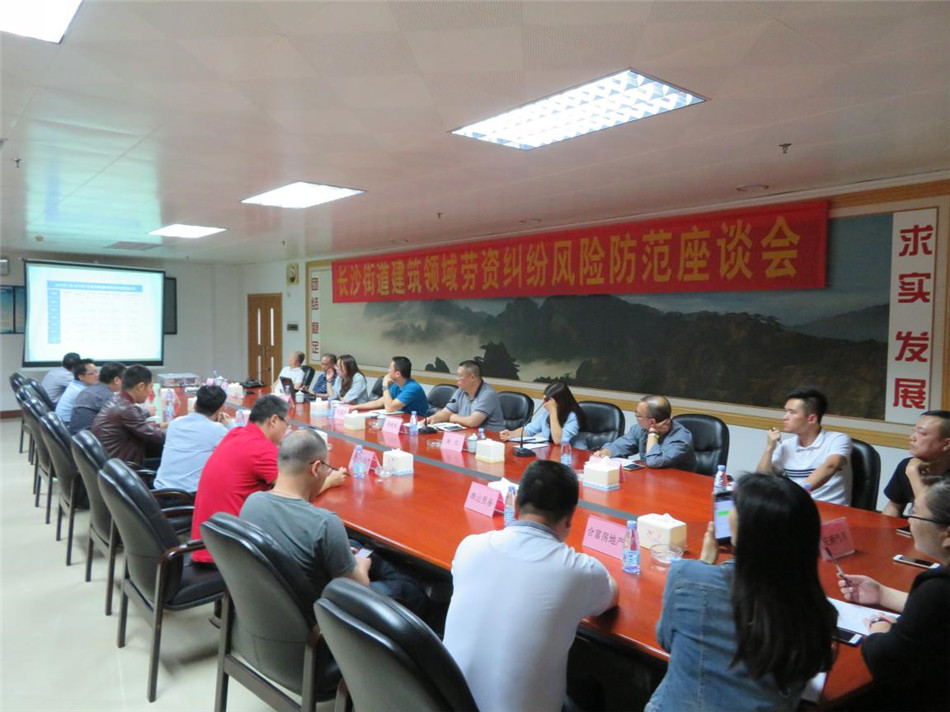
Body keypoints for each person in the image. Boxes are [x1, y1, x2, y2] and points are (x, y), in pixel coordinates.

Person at [646, 473, 837, 711]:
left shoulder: (688, 577)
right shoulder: (817, 611)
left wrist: (704, 564)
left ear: (745, 536)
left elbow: (667, 641)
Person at [443, 460, 618, 712]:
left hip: (447, 703)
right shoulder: (579, 571)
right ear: (570, 518)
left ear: (515, 505)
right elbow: (612, 596)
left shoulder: (469, 546)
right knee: (590, 689)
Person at [240, 429, 426, 613]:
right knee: (408, 585)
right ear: (316, 468)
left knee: (355, 545)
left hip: (276, 607)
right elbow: (359, 586)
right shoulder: (325, 523)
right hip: (323, 612)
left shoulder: (252, 503)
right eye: (328, 469)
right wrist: (361, 565)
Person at [190, 395, 344, 565]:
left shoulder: (236, 433)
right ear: (274, 420)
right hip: (230, 554)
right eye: (287, 424)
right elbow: (294, 494)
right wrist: (331, 480)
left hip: (210, 539)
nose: (287, 430)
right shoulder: (261, 449)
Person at [838, 480, 950, 710]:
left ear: (947, 535)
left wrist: (879, 628)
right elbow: (939, 613)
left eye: (915, 514)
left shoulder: (938, 588)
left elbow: (886, 662)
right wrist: (883, 594)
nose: (909, 521)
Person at [756, 387, 852, 504]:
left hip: (830, 509)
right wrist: (769, 448)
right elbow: (762, 478)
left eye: (792, 412)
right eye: (786, 411)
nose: (784, 417)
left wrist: (795, 494)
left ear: (811, 419)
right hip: (797, 505)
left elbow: (831, 466)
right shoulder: (787, 445)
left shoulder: (837, 439)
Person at [152, 386, 232, 492]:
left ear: (194, 404)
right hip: (189, 494)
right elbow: (237, 449)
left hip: (159, 490)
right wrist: (229, 425)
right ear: (220, 409)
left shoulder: (175, 423)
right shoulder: (217, 430)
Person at [90, 364, 166, 467]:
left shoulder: (118, 400)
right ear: (141, 386)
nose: (150, 392)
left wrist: (158, 426)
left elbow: (139, 424)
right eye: (150, 387)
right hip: (121, 468)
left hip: (110, 464)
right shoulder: (126, 408)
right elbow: (155, 436)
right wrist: (175, 432)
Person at [593, 395, 696, 470]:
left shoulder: (681, 439)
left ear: (652, 422)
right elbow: (620, 446)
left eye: (638, 416)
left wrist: (652, 434)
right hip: (651, 480)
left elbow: (653, 461)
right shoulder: (640, 429)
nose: (636, 418)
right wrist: (606, 452)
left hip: (679, 486)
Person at [881, 410, 950, 517]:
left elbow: (932, 517)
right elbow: (893, 506)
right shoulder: (906, 465)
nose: (912, 438)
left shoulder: (911, 469)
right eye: (914, 432)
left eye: (922, 433)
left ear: (946, 444)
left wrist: (913, 474)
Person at [426, 360, 505, 431]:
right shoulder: (460, 391)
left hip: (491, 438)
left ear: (472, 377)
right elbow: (446, 412)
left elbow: (473, 422)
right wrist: (432, 419)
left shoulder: (488, 394)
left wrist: (455, 418)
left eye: (460, 376)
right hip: (469, 434)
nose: (457, 379)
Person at [500, 381, 585, 446]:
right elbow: (529, 429)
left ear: (560, 401)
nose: (545, 402)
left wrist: (553, 412)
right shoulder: (547, 413)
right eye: (544, 398)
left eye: (548, 399)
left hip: (570, 456)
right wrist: (512, 434)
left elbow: (558, 441)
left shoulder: (573, 417)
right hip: (550, 451)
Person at [354, 356, 428, 416]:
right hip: (402, 419)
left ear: (397, 374)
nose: (388, 371)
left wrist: (385, 384)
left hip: (417, 424)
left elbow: (390, 407)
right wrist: (354, 407)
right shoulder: (396, 385)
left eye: (390, 368)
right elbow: (378, 403)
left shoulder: (413, 388)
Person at [69, 361, 126, 434]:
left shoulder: (90, 389)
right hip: (90, 436)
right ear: (116, 380)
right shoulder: (106, 396)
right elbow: (125, 419)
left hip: (79, 436)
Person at [54, 359, 98, 427]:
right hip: (68, 424)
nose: (97, 375)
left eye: (97, 372)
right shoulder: (82, 392)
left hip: (63, 421)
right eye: (92, 374)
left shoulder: (75, 384)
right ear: (81, 377)